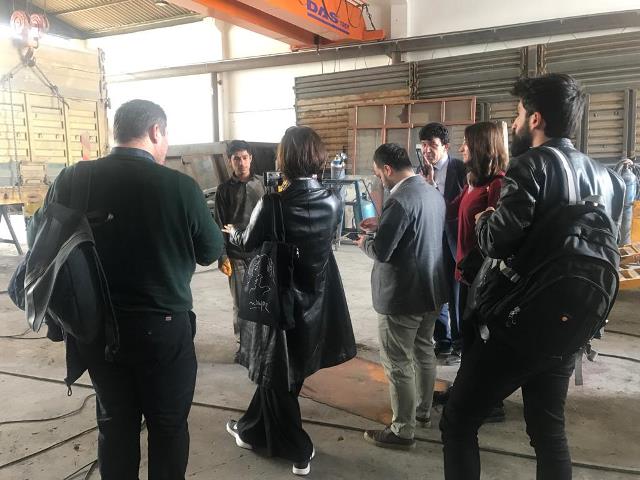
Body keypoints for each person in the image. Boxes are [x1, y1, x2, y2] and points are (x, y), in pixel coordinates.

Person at [440, 74, 625, 480]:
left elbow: (497, 242)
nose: (515, 123)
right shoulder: (608, 178)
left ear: (536, 119)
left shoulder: (531, 166)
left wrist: (485, 219)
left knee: (458, 421)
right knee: (548, 431)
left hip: (518, 325)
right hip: (575, 322)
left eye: (519, 115)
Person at [27, 99, 224, 480]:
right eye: (166, 135)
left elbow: (40, 239)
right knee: (168, 427)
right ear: (155, 131)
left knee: (115, 425)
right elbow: (210, 251)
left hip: (96, 330)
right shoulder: (179, 187)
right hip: (163, 330)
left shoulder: (73, 179)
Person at [222, 126, 356, 476]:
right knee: (285, 369)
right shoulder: (333, 200)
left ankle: (298, 449)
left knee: (274, 372)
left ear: (285, 158)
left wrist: (232, 232)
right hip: (316, 296)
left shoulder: (273, 203)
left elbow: (248, 241)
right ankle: (250, 429)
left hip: (279, 297)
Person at [355, 143, 448, 450]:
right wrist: (382, 226)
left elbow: (383, 251)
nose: (378, 178)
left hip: (403, 295)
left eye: (378, 172)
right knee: (423, 351)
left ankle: (402, 430)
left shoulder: (399, 200)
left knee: (397, 362)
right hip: (431, 290)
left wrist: (365, 241)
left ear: (388, 169)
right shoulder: (431, 192)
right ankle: (422, 412)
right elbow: (416, 232)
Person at [418, 122, 467, 361]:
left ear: (446, 147)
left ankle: (458, 341)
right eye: (423, 145)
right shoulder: (421, 170)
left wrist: (432, 186)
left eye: (433, 145)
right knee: (436, 290)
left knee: (455, 292)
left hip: (454, 239)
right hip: (432, 240)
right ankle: (443, 341)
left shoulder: (461, 168)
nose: (427, 150)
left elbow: (458, 206)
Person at [214, 140, 266, 357]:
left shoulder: (263, 185)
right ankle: (244, 347)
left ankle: (263, 346)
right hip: (236, 256)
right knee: (241, 303)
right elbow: (219, 224)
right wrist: (222, 255)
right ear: (230, 161)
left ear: (251, 159)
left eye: (245, 158)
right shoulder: (224, 190)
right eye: (237, 159)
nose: (241, 163)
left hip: (261, 254)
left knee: (262, 301)